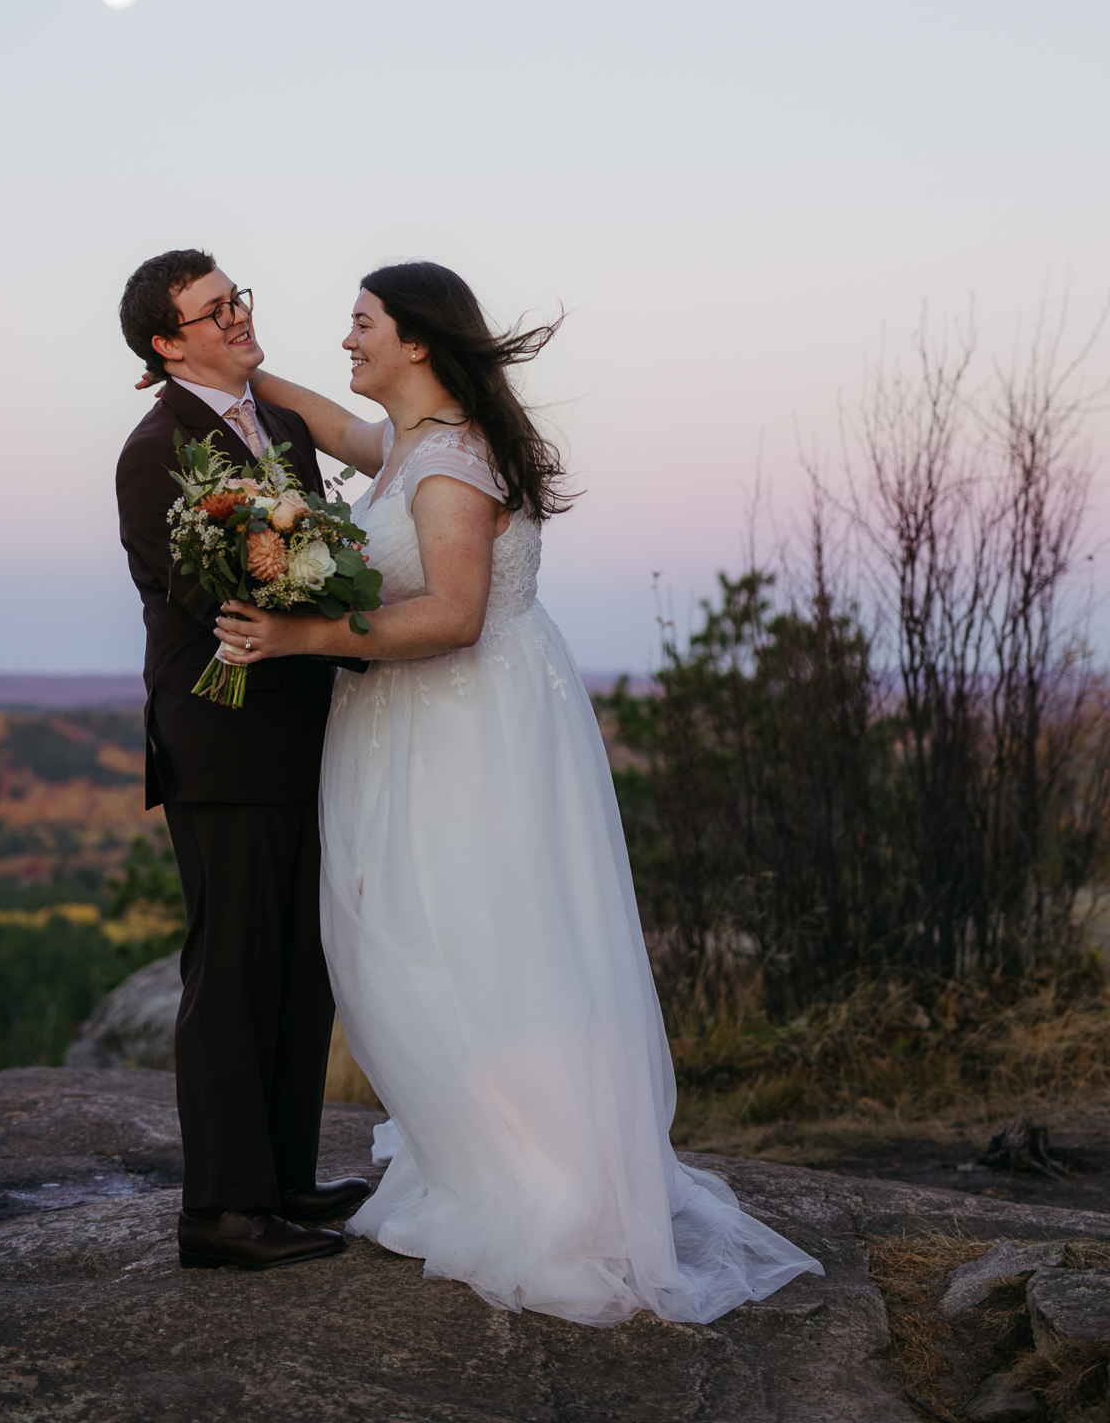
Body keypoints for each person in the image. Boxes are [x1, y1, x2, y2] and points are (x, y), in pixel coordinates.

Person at [212, 260, 824, 1326]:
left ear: (416, 340)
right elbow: (349, 436)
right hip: (416, 722)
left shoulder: (452, 462)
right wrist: (246, 380)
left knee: (480, 935)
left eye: (361, 324)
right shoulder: (414, 440)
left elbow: (453, 613)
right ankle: (480, 1155)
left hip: (465, 731)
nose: (346, 340)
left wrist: (298, 634)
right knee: (421, 936)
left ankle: (550, 1193)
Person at [115, 248, 369, 1272]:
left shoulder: (287, 430)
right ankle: (221, 1209)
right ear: (167, 342)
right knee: (231, 972)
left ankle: (285, 1176)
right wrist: (309, 583)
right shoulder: (156, 448)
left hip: (306, 728)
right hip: (222, 739)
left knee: (301, 966)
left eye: (238, 300)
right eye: (214, 310)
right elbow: (195, 591)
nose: (237, 317)